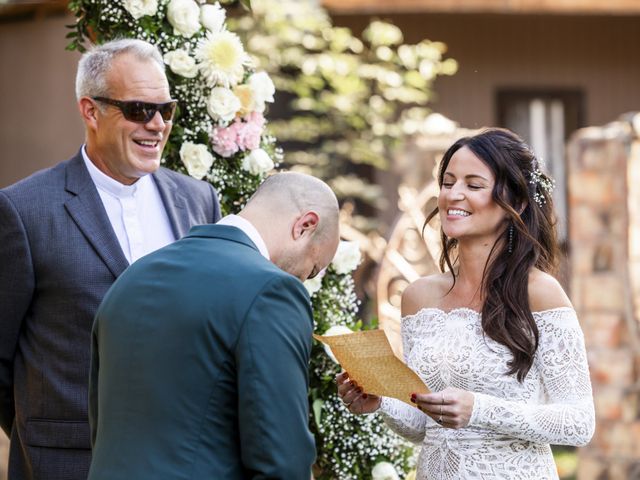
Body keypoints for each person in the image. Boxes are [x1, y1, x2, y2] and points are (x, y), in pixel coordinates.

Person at [0, 39, 220, 480]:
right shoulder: (24, 210)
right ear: (90, 111)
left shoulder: (199, 200)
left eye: (166, 109)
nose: (157, 124)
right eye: (139, 109)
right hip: (68, 462)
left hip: (185, 463)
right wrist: (40, 433)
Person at [337, 128, 595, 479]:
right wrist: (381, 401)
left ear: (516, 202)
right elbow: (421, 424)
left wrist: (480, 410)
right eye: (448, 182)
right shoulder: (418, 297)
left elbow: (578, 422)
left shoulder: (540, 292)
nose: (454, 195)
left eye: (473, 185)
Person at [86, 172, 340, 480]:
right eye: (312, 270)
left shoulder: (131, 278)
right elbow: (282, 461)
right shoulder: (271, 291)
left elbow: (100, 422)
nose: (302, 279)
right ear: (305, 225)